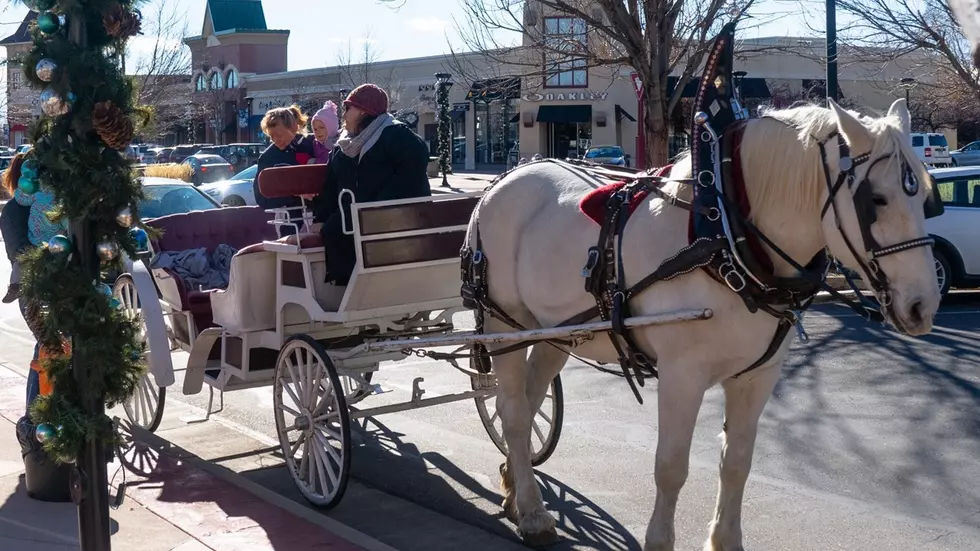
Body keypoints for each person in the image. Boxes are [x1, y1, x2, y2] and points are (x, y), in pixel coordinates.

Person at [311, 83, 432, 285]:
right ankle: (347, 287)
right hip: (351, 222)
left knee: (343, 229)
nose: (344, 114)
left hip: (392, 222)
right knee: (335, 229)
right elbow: (331, 186)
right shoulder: (343, 145)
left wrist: (374, 209)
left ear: (363, 111)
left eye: (348, 108)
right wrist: (321, 218)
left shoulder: (396, 135)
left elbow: (410, 179)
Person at [0, 153, 66, 413]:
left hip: (63, 283)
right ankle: (34, 415)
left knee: (59, 347)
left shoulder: (56, 198)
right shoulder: (14, 211)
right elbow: (19, 253)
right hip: (35, 289)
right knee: (47, 346)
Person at [254, 105, 316, 235]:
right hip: (290, 224)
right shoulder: (268, 157)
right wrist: (294, 194)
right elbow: (261, 199)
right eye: (271, 136)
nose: (276, 140)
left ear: (293, 127)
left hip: (320, 218)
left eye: (279, 135)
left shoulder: (314, 144)